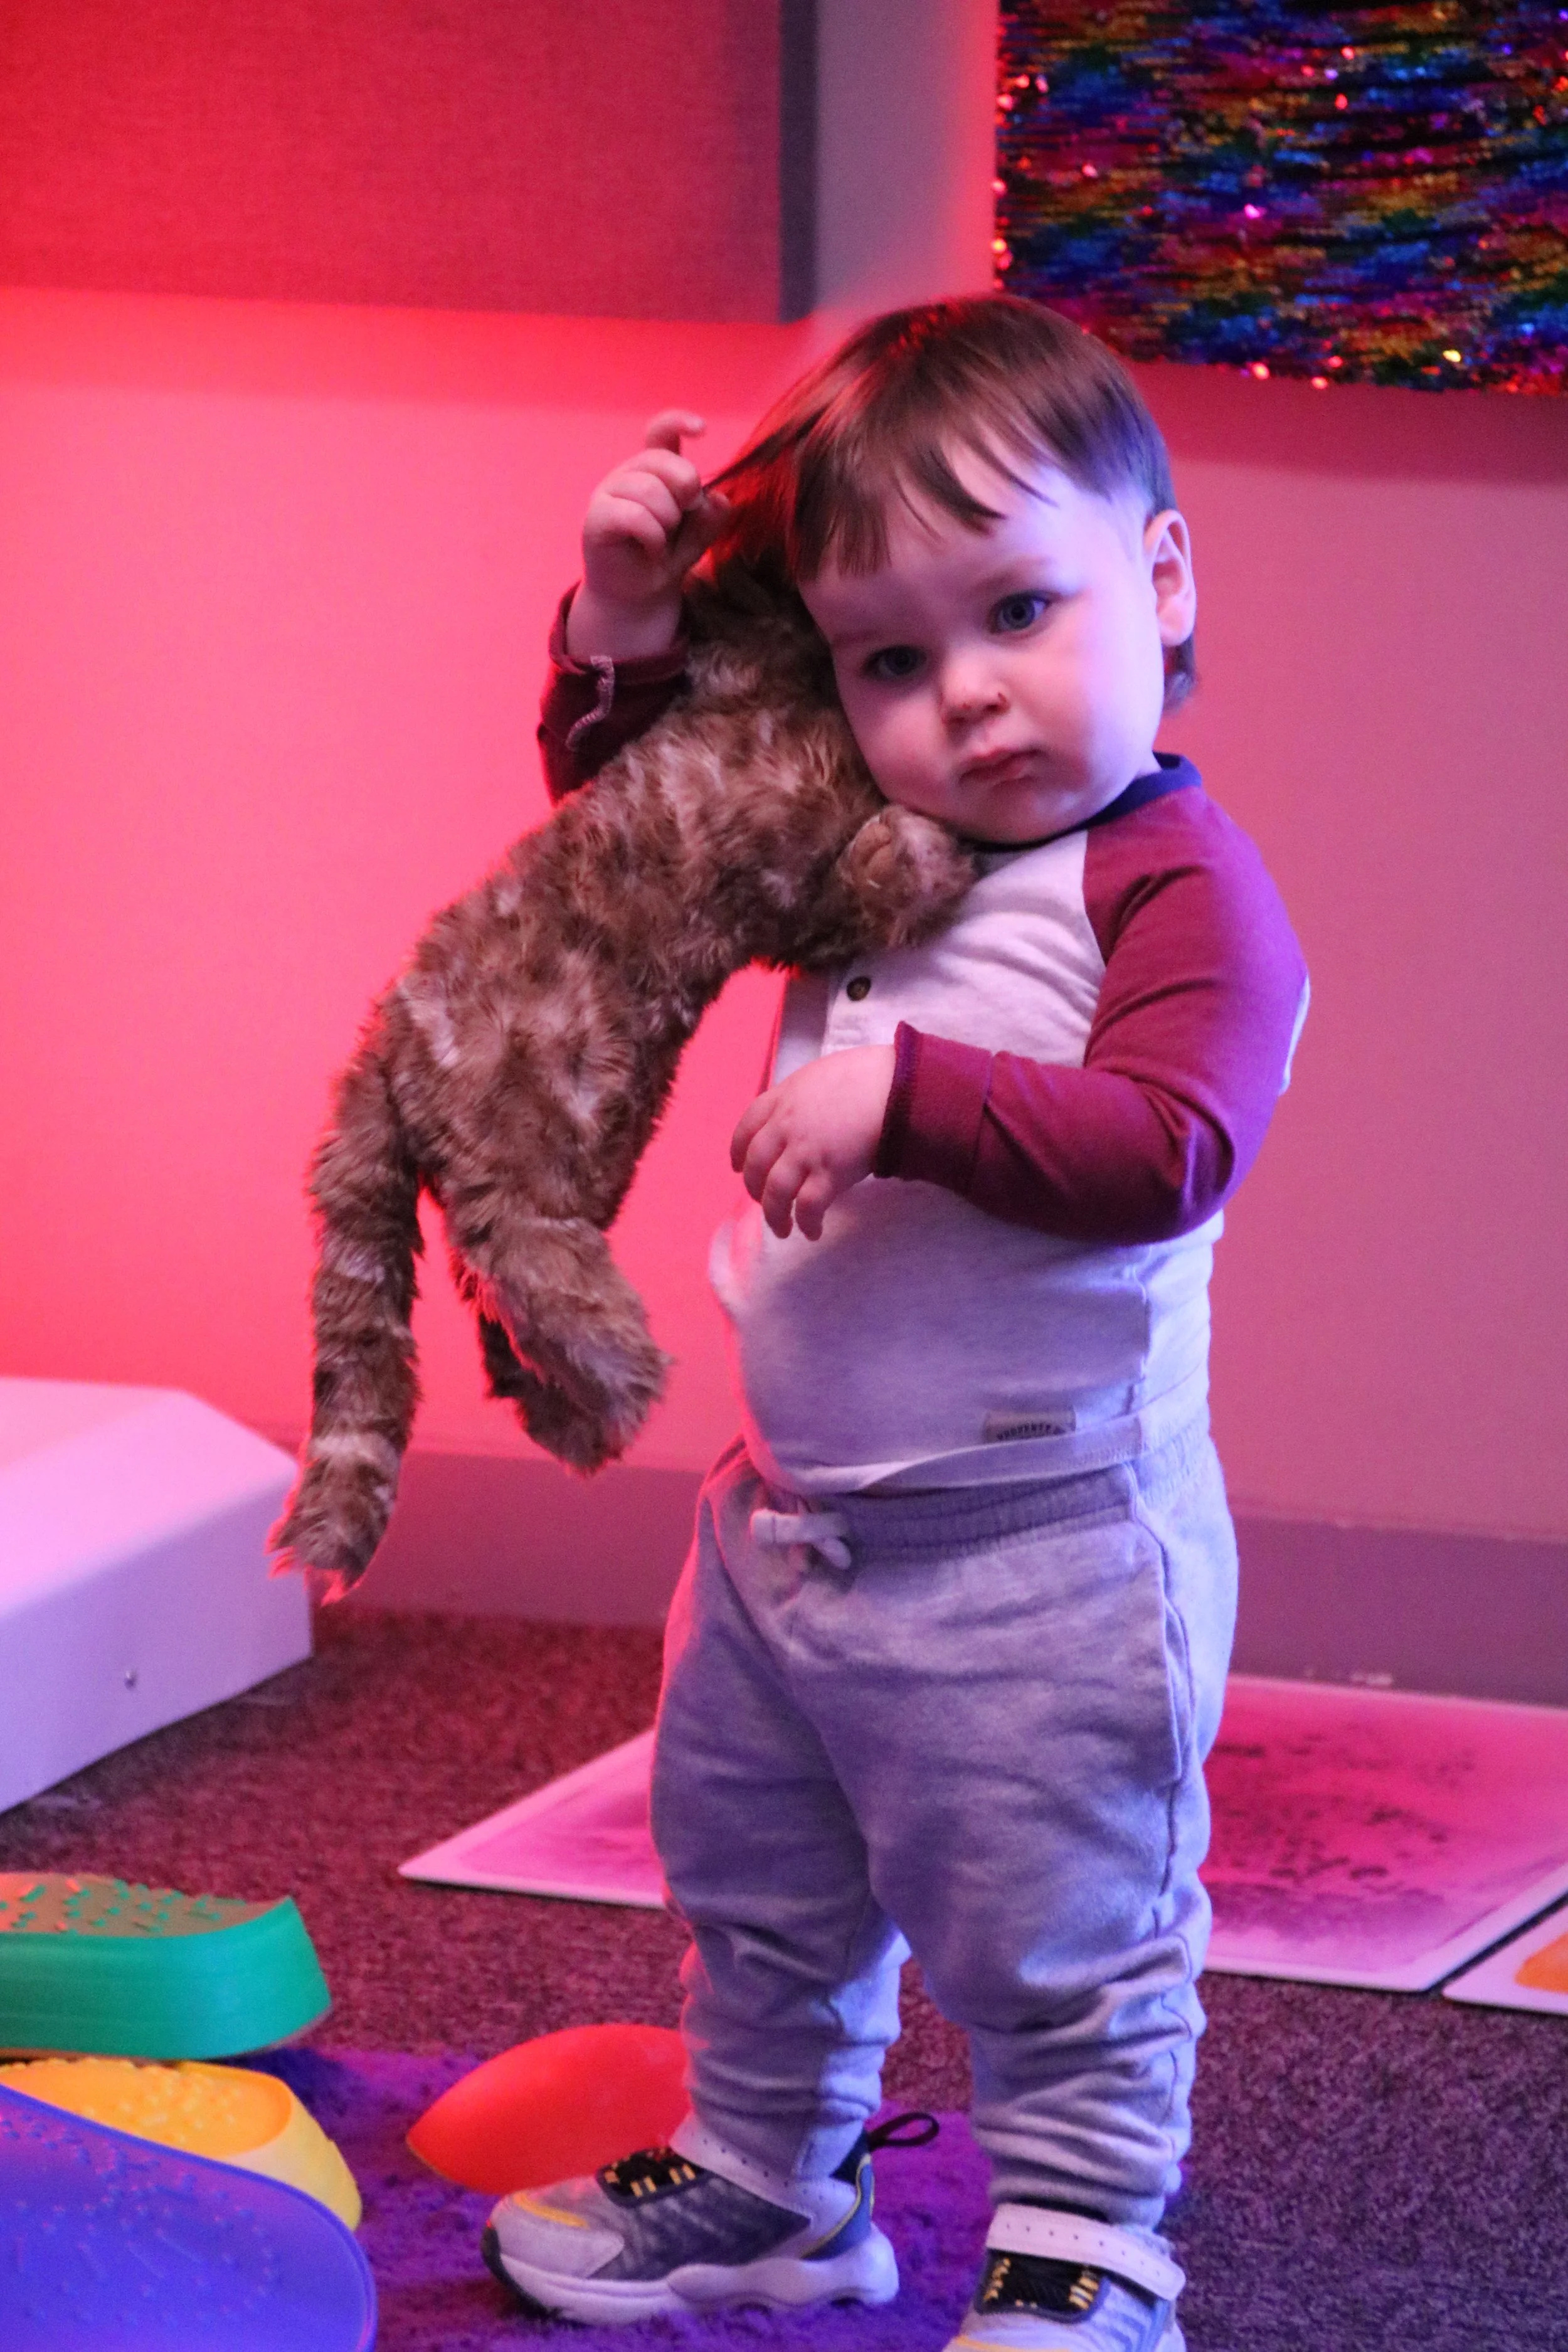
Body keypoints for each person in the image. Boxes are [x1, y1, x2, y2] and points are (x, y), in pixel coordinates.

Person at [482, 297, 1308, 2351]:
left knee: (1063, 1928)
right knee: (754, 1879)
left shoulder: (1176, 887)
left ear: (1161, 578)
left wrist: (905, 1096)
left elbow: (1172, 1142)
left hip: (1043, 1560)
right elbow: (634, 838)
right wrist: (619, 621)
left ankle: (1089, 2245)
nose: (968, 697)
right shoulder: (866, 847)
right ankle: (775, 2175)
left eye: (1018, 610)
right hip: (787, 1529)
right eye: (888, 660)